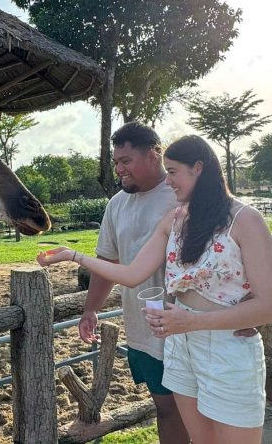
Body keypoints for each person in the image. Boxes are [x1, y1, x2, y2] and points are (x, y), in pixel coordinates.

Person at [39, 134, 272, 444]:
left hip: (227, 348)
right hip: (181, 346)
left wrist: (193, 321)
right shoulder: (175, 220)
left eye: (173, 172)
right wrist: (72, 255)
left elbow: (271, 306)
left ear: (198, 168)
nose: (168, 182)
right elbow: (131, 274)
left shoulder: (246, 220)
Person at [75, 122, 187, 443]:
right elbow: (108, 262)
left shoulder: (179, 195)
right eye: (116, 163)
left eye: (126, 161)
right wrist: (90, 310)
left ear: (154, 156)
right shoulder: (116, 205)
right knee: (166, 409)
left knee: (194, 409)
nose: (119, 170)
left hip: (189, 326)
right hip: (143, 328)